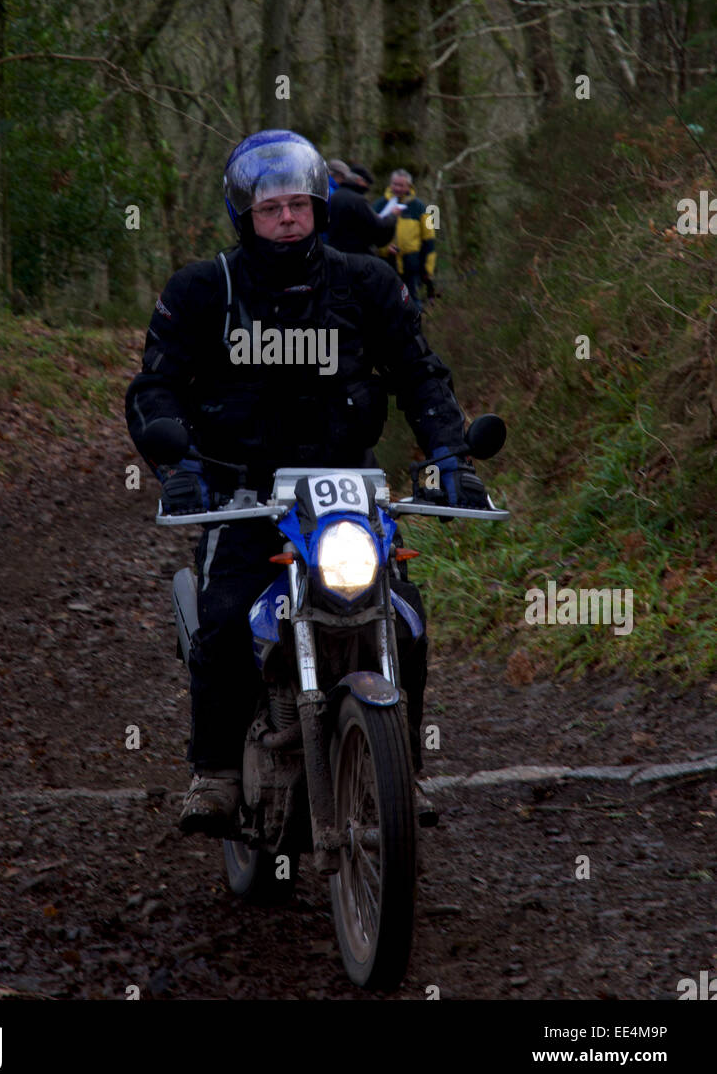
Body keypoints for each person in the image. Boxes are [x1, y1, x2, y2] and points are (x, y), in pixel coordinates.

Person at [125, 129, 489, 835]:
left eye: (298, 204)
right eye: (271, 209)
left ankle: (400, 768)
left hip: (346, 489)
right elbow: (155, 390)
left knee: (404, 619)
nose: (287, 218)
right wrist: (177, 469)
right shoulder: (204, 290)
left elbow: (419, 376)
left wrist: (452, 457)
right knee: (227, 617)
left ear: (321, 207)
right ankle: (217, 772)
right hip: (241, 490)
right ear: (245, 216)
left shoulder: (367, 282)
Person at [374, 168, 437, 309]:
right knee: (387, 304)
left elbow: (429, 239)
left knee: (412, 303)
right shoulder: (379, 205)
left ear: (409, 186)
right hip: (386, 264)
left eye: (400, 185)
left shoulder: (420, 207)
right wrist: (384, 248)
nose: (396, 188)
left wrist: (428, 269)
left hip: (412, 265)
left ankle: (415, 329)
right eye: (394, 184)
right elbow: (371, 233)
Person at [326, 158, 398, 256]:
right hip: (354, 256)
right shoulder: (357, 200)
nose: (367, 187)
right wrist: (393, 216)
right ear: (359, 180)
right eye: (366, 184)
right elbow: (377, 228)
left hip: (334, 253)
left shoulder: (336, 195)